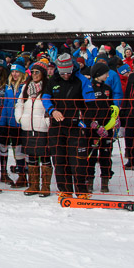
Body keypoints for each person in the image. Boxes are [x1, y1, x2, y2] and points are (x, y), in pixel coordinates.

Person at [42, 53, 95, 199]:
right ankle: (64, 189)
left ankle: (82, 191)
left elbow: (91, 104)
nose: (66, 75)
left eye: (68, 72)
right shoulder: (54, 80)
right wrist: (52, 110)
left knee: (78, 160)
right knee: (59, 159)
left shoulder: (81, 80)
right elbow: (45, 98)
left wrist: (85, 120)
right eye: (63, 72)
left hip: (76, 127)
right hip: (57, 125)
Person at [15, 62, 52, 197]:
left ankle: (45, 186)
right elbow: (19, 103)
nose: (35, 75)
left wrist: (47, 121)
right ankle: (33, 185)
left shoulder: (48, 87)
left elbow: (51, 105)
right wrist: (19, 117)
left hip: (42, 126)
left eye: (37, 72)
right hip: (27, 125)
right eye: (33, 72)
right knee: (31, 156)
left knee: (45, 156)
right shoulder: (25, 87)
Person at [85, 62, 120, 193]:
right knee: (92, 157)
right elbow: (86, 109)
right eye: (105, 73)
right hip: (93, 128)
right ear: (98, 74)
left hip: (107, 128)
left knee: (106, 155)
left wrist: (115, 119)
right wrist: (94, 124)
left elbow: (111, 106)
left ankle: (105, 181)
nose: (107, 75)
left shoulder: (107, 88)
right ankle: (89, 181)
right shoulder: (89, 87)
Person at [0, 62, 27, 188]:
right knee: (4, 147)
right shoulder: (8, 86)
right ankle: (3, 172)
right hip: (8, 122)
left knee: (19, 150)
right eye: (13, 72)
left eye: (17, 72)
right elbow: (5, 105)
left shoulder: (25, 87)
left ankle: (22, 175)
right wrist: (2, 122)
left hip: (19, 124)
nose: (15, 74)